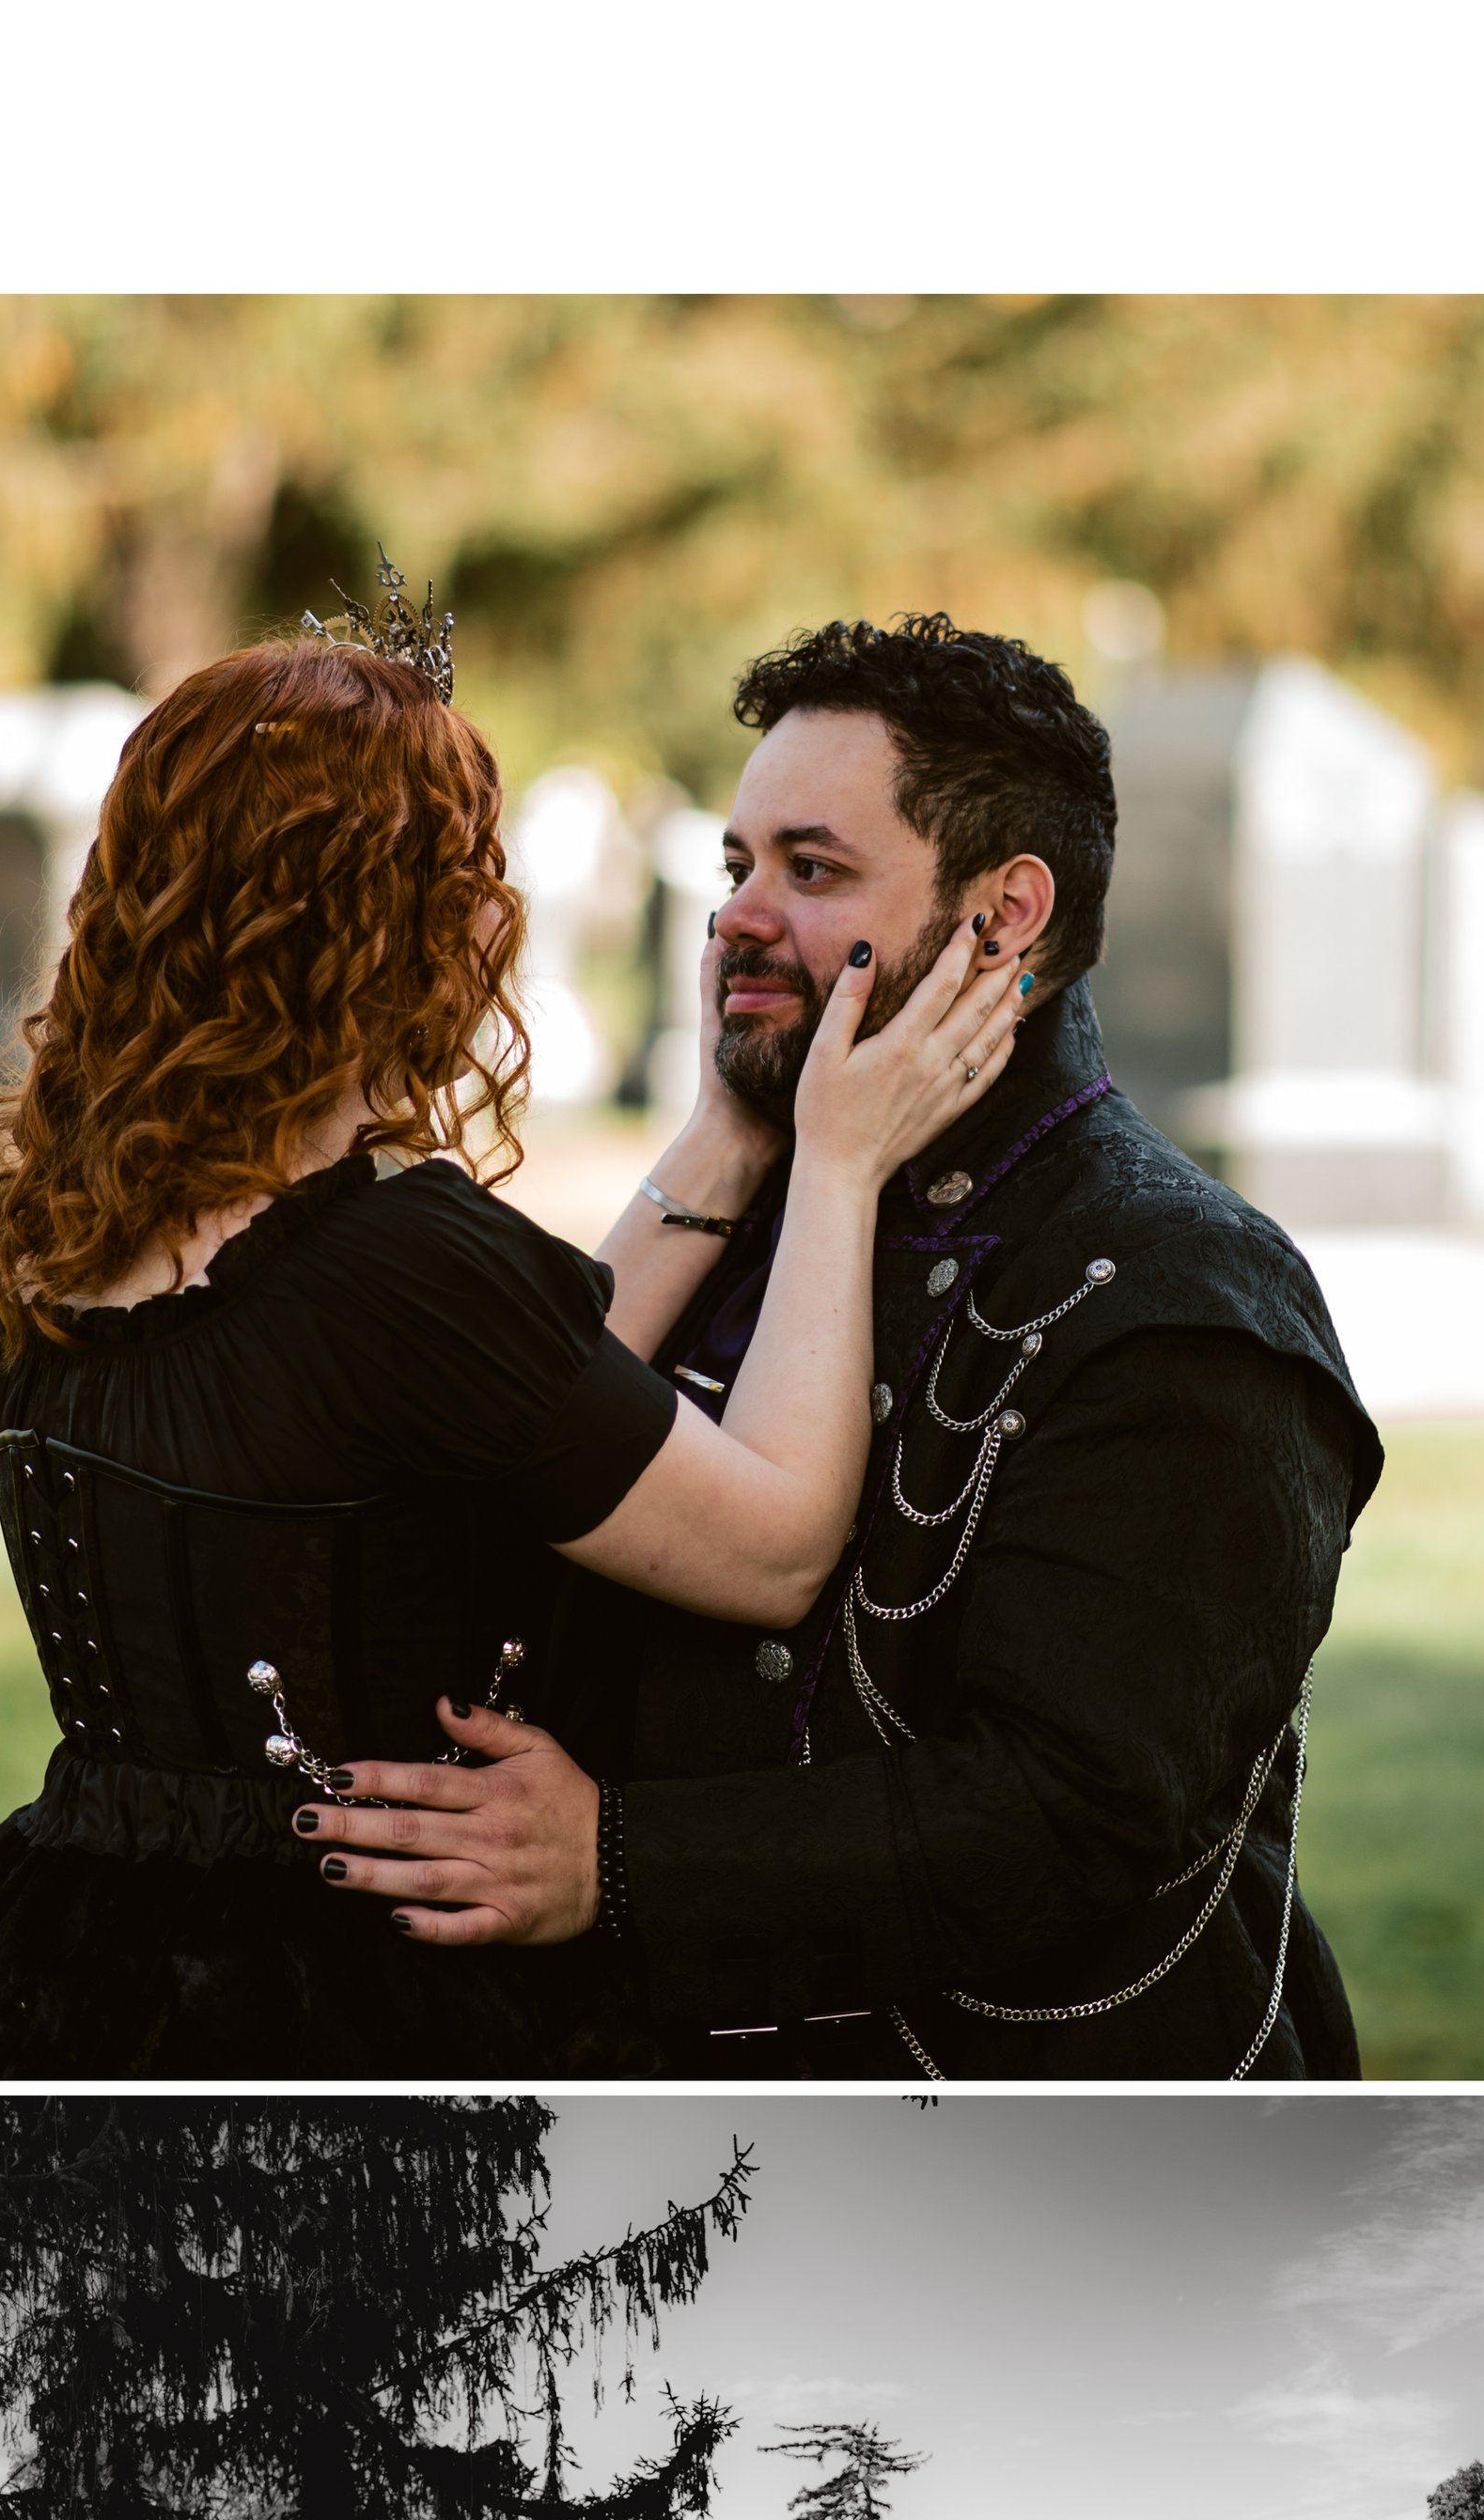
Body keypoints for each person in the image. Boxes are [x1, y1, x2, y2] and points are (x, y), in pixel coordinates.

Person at [0, 562, 1026, 2079]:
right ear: (416, 921)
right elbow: (769, 1545)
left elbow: (491, 1418)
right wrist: (836, 1156)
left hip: (62, 1946)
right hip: (345, 1984)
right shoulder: (395, 1261)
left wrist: (724, 1138)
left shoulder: (57, 1229)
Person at [295, 613, 1388, 2078]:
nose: (738, 916)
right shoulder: (755, 1200)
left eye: (811, 871)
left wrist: (615, 1860)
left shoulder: (1185, 1301)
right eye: (738, 865)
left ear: (1005, 917)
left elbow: (1076, 1810)